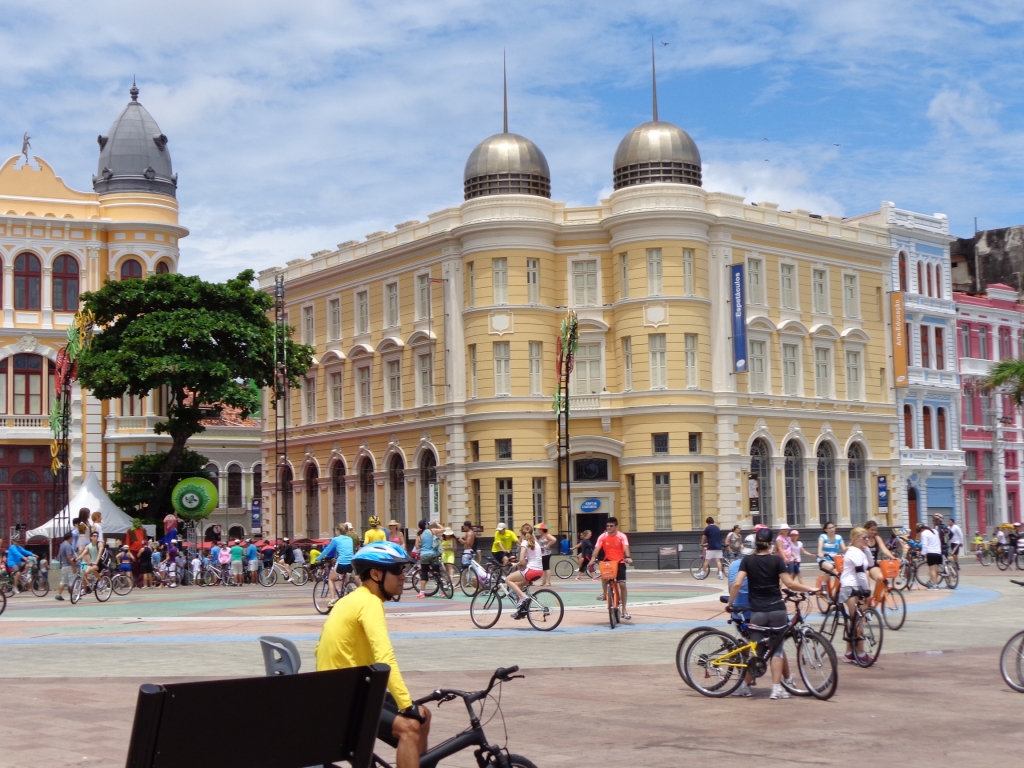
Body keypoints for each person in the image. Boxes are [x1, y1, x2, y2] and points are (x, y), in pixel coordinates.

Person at [315, 542, 430, 768]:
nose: (403, 576)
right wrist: (405, 705)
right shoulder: (369, 603)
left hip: (351, 688)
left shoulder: (351, 599)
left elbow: (319, 649)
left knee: (424, 715)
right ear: (376, 574)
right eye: (397, 570)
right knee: (410, 728)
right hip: (344, 696)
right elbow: (384, 656)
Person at [725, 527, 819, 698]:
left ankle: (745, 686)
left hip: (758, 612)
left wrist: (730, 603)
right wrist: (810, 588)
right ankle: (776, 689)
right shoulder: (777, 561)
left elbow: (737, 583)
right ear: (770, 543)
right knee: (777, 649)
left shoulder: (748, 560)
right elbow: (790, 584)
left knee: (757, 650)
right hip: (777, 610)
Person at [593, 517, 633, 620]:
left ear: (616, 527)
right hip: (608, 561)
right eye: (607, 526)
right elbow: (597, 548)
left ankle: (624, 610)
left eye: (611, 526)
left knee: (622, 584)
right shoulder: (602, 536)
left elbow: (625, 547)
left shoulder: (621, 536)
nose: (609, 528)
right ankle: (605, 594)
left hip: (619, 561)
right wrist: (592, 558)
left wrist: (627, 557)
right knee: (603, 574)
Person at [506, 523, 544, 617]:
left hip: (531, 570)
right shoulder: (535, 543)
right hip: (539, 571)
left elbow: (522, 560)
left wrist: (516, 564)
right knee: (515, 588)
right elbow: (529, 558)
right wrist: (520, 563)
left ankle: (523, 597)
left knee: (508, 579)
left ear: (522, 533)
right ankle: (521, 612)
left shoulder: (524, 542)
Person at [316, 525, 357, 607]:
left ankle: (332, 600)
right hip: (351, 562)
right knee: (345, 577)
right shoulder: (349, 539)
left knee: (331, 579)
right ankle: (348, 589)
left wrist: (318, 558)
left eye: (335, 530)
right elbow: (347, 550)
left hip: (342, 562)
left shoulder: (335, 539)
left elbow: (327, 550)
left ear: (338, 530)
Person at [863, 520, 893, 586]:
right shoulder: (862, 539)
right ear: (866, 529)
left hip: (873, 565)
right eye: (871, 530)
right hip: (863, 565)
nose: (874, 532)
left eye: (875, 530)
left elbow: (884, 549)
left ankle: (877, 595)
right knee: (866, 586)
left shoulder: (877, 538)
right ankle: (867, 596)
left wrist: (893, 557)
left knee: (881, 577)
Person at [416, 520, 440, 598]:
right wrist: (436, 524)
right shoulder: (431, 531)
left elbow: (417, 547)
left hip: (424, 555)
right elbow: (443, 529)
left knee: (424, 573)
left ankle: (422, 593)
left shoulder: (419, 535)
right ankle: (443, 591)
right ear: (426, 525)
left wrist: (423, 547)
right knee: (437, 572)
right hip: (433, 554)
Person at [917, 522, 943, 589]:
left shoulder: (924, 533)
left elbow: (924, 545)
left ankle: (935, 586)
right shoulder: (935, 531)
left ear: (921, 530)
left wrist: (922, 554)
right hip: (938, 552)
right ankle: (935, 583)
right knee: (936, 570)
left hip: (931, 553)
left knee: (932, 570)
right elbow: (938, 541)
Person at [54, 531, 77, 601]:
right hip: (69, 566)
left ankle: (58, 594)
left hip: (63, 565)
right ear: (70, 538)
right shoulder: (68, 546)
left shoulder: (62, 545)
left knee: (63, 581)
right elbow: (69, 557)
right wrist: (73, 566)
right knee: (72, 581)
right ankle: (73, 595)